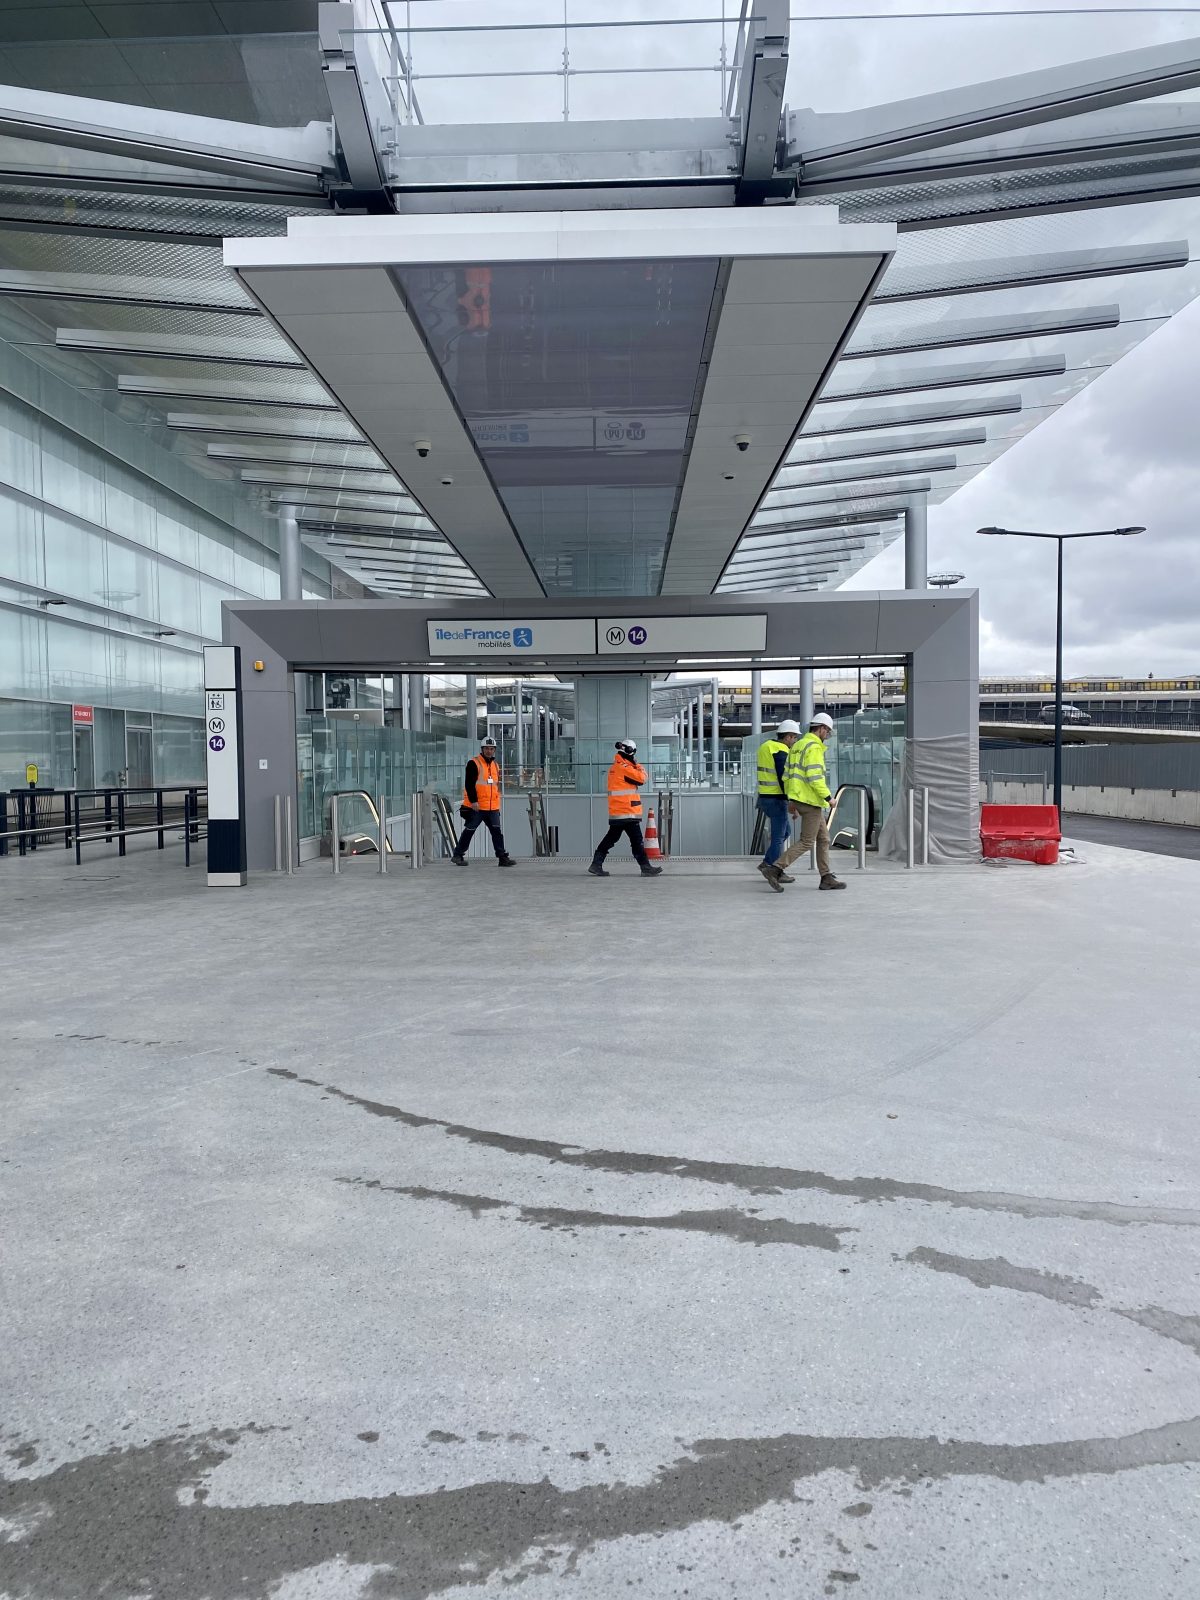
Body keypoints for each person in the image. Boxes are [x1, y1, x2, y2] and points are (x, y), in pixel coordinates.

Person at [774, 713, 846, 891]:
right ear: (821, 728)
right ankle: (775, 867)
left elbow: (787, 776)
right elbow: (815, 777)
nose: (827, 735)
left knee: (823, 838)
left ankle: (826, 876)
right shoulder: (814, 747)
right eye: (827, 731)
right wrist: (829, 798)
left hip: (800, 798)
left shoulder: (797, 745)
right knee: (807, 841)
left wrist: (792, 799)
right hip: (810, 800)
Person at [588, 739, 663, 878]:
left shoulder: (615, 767)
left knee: (612, 838)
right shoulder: (624, 768)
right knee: (636, 840)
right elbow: (642, 779)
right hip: (627, 811)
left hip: (618, 811)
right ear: (631, 752)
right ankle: (645, 867)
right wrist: (638, 765)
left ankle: (596, 863)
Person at [451, 734, 515, 867]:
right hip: (478, 807)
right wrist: (474, 801)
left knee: (497, 832)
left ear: (494, 750)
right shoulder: (474, 763)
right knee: (469, 830)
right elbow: (469, 784)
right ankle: (458, 855)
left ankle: (502, 857)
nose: (489, 751)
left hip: (492, 807)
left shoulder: (495, 766)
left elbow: (494, 785)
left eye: (492, 749)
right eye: (487, 748)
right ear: (482, 749)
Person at [755, 718, 802, 893]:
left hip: (765, 797)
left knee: (785, 832)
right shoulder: (781, 750)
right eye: (794, 738)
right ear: (788, 737)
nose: (795, 741)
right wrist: (793, 802)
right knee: (778, 837)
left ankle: (767, 862)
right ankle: (774, 871)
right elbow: (785, 779)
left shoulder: (765, 746)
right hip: (776, 798)